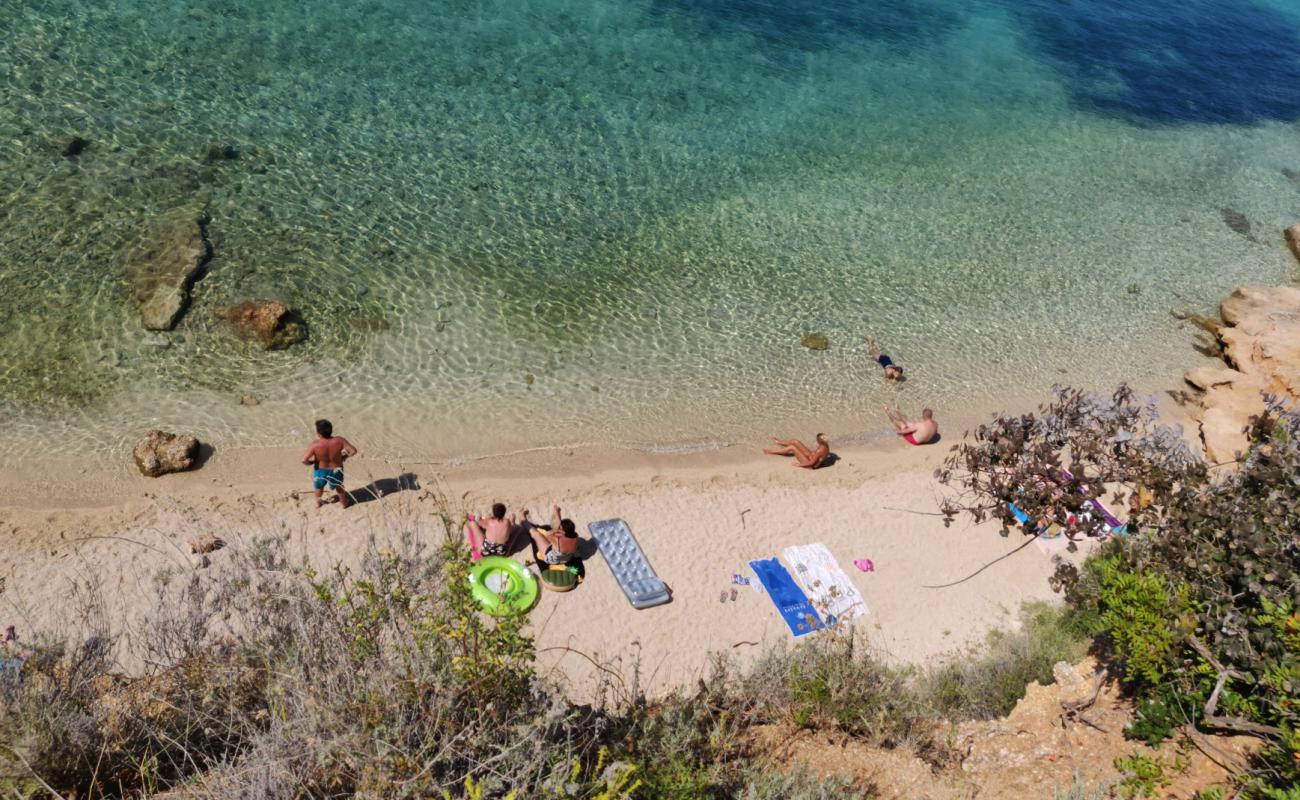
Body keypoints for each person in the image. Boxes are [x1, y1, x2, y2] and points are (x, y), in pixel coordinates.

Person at [301, 419, 358, 508]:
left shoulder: (315, 444)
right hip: (336, 469)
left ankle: (318, 502)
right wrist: (344, 457)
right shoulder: (339, 440)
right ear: (331, 430)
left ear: (318, 433)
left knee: (319, 487)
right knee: (339, 486)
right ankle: (343, 503)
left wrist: (312, 462)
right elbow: (353, 451)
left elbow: (304, 460)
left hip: (320, 470)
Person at [764, 433, 831, 469]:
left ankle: (772, 452)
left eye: (817, 440)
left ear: (819, 441)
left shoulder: (819, 450)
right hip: (811, 457)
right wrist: (815, 456)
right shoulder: (826, 445)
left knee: (792, 448)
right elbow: (821, 457)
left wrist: (799, 465)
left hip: (810, 465)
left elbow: (811, 463)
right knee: (795, 441)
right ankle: (779, 442)